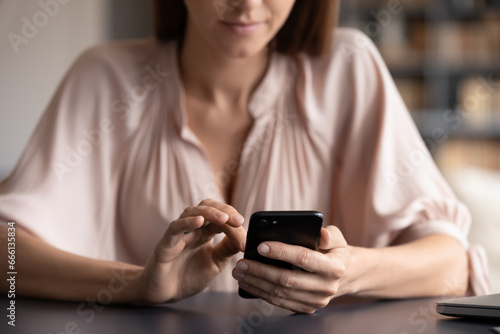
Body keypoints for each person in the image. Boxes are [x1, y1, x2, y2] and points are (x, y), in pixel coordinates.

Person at [0, 0, 490, 314]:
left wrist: (349, 274)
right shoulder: (104, 78)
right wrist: (136, 285)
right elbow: (9, 255)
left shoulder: (349, 68)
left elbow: (452, 262)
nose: (248, 4)